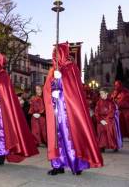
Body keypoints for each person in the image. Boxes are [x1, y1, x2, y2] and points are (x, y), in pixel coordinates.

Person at [43, 43, 103, 176]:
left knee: (69, 135)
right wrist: (52, 91)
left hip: (67, 110)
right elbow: (47, 88)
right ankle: (57, 165)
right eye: (54, 53)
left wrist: (62, 82)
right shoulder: (53, 70)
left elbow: (73, 90)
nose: (55, 56)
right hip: (55, 108)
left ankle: (76, 163)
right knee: (55, 137)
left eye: (57, 53)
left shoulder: (71, 68)